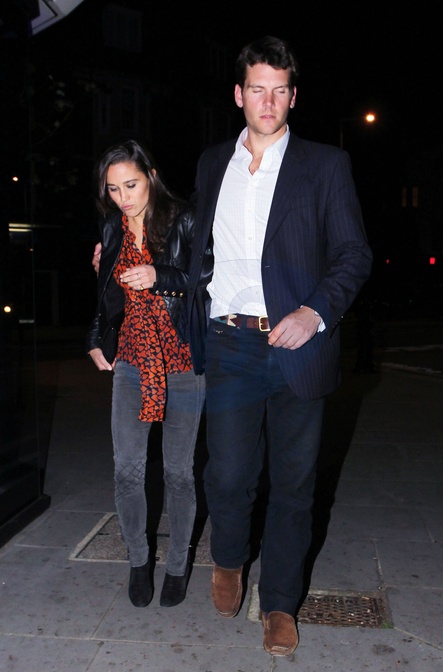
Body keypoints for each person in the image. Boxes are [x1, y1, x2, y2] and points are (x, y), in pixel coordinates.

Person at [186, 36, 373, 656]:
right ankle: (229, 558)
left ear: (293, 96)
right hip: (229, 341)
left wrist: (315, 312)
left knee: (294, 485)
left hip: (298, 346)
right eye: (256, 89)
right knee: (229, 473)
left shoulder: (325, 165)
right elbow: (186, 239)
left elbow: (353, 254)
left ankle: (280, 604)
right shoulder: (213, 162)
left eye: (280, 90)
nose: (268, 101)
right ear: (239, 94)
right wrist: (119, 242)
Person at [86, 139, 205, 610]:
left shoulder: (185, 218)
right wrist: (95, 338)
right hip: (132, 361)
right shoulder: (111, 227)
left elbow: (210, 272)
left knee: (178, 473)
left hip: (182, 362)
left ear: (151, 176)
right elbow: (105, 293)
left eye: (131, 185)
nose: (123, 198)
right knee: (127, 470)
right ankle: (139, 560)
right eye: (113, 189)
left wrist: (160, 276)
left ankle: (177, 564)